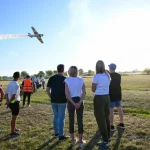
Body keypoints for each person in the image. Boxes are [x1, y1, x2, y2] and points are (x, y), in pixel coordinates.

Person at [65, 66, 86, 148]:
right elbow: (84, 92)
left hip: (71, 101)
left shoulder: (67, 80)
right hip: (79, 100)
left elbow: (67, 94)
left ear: (69, 71)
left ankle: (73, 139)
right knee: (80, 120)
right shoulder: (81, 79)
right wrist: (79, 102)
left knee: (71, 119)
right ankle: (81, 140)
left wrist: (74, 103)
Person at [46, 64, 69, 141]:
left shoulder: (51, 78)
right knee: (61, 118)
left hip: (54, 100)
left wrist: (51, 97)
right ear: (63, 69)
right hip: (62, 101)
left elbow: (47, 90)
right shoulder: (65, 79)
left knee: (56, 116)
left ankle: (56, 133)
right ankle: (61, 135)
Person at [91, 60, 111, 149]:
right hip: (107, 97)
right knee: (106, 117)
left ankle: (105, 141)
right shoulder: (107, 75)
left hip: (99, 98)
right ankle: (107, 137)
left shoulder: (96, 76)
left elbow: (93, 89)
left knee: (100, 119)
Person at [108, 63, 125, 131]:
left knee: (111, 111)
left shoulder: (108, 75)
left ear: (110, 68)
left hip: (111, 94)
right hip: (118, 94)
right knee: (119, 109)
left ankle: (111, 125)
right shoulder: (118, 75)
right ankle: (122, 123)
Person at [5, 72, 21, 137]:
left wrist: (7, 101)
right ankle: (12, 132)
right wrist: (9, 102)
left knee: (14, 117)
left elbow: (6, 94)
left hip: (11, 102)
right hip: (14, 102)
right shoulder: (16, 85)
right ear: (19, 77)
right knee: (14, 117)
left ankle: (14, 128)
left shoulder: (9, 84)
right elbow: (14, 95)